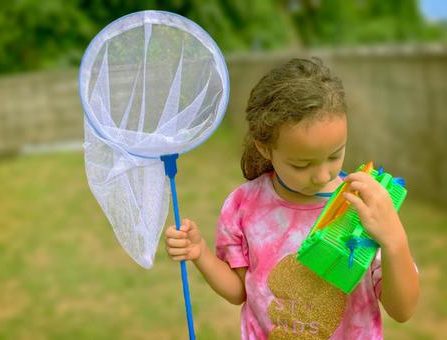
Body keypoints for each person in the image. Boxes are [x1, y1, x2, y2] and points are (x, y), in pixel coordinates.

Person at [164, 58, 419, 339]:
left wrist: (394, 239)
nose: (322, 175)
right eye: (302, 164)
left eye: (335, 155)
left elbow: (402, 310)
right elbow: (239, 292)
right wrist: (199, 252)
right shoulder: (243, 206)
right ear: (265, 148)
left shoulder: (364, 207)